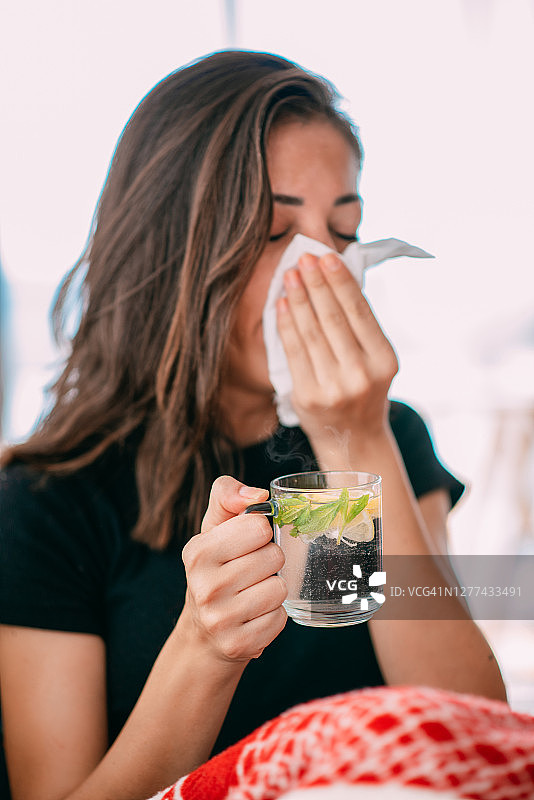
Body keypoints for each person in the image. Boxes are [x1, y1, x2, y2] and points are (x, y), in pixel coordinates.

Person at [0, 50, 505, 800]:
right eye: (275, 236)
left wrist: (352, 440)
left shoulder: (388, 436)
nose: (323, 271)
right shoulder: (51, 500)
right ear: (171, 251)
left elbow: (467, 740)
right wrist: (205, 647)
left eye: (341, 233)